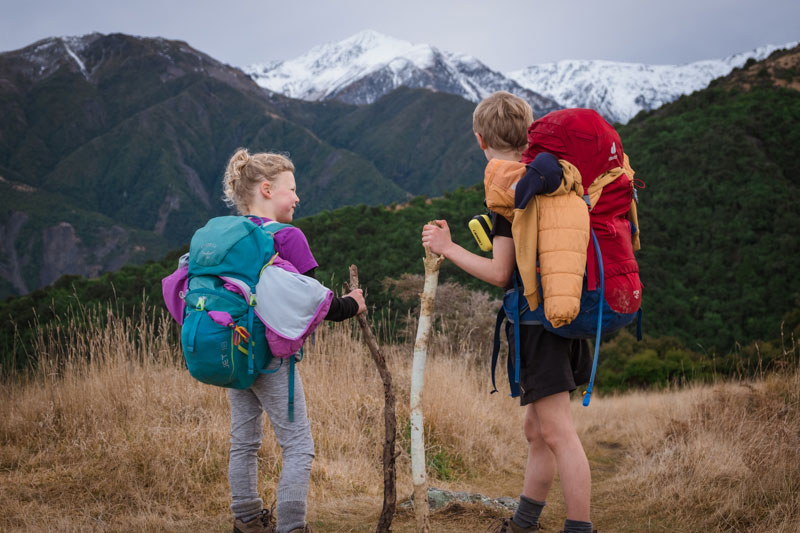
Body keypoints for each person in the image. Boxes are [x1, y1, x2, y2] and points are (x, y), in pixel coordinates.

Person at [421, 92, 596, 533]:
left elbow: (500, 272)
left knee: (558, 433)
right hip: (566, 318)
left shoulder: (510, 193)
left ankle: (580, 528)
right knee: (537, 431)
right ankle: (523, 523)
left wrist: (449, 248)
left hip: (539, 326)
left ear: (480, 140)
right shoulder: (550, 179)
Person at [222, 148, 366, 533]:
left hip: (233, 354)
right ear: (267, 189)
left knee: (244, 441)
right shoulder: (289, 236)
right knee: (298, 446)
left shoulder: (229, 236)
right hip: (271, 359)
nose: (298, 198)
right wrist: (352, 304)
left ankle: (248, 520)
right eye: (291, 189)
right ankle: (291, 526)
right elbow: (314, 300)